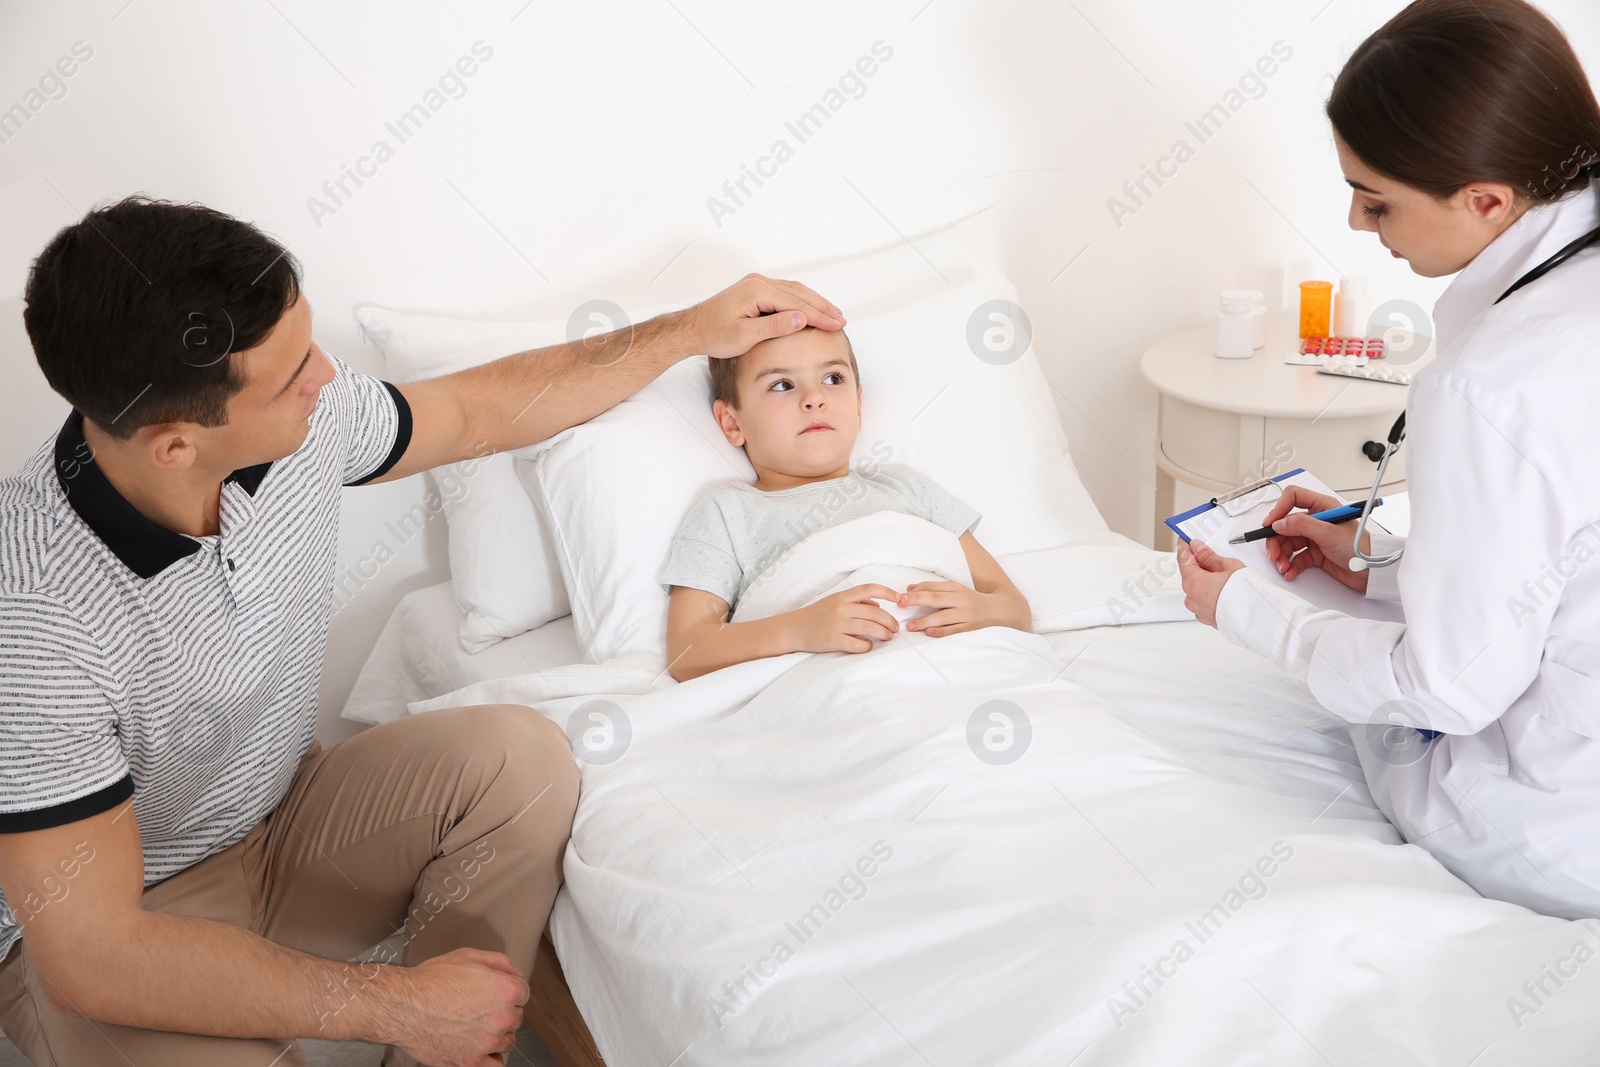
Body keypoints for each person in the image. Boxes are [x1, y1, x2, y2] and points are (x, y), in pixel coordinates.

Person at [0, 195, 845, 1066]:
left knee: (521, 758)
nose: (327, 375)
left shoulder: (299, 421)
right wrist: (397, 1003)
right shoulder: (34, 618)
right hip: (121, 929)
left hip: (278, 821)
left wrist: (687, 330)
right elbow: (94, 956)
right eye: (292, 373)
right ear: (177, 445)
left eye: (310, 342)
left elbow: (479, 411)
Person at [1178, 0, 1600, 919]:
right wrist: (1373, 558)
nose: (1360, 223)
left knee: (1369, 719)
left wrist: (1248, 609)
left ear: (1486, 199)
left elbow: (1453, 687)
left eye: (1378, 200)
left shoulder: (1492, 386)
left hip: (1557, 831)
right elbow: (1562, 578)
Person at [661, 325, 1030, 682]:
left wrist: (982, 610)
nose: (814, 398)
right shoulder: (728, 512)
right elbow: (687, 651)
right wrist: (800, 630)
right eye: (782, 385)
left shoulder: (909, 488)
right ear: (731, 422)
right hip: (838, 681)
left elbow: (1012, 605)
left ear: (857, 403)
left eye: (833, 379)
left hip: (959, 661)